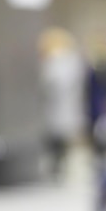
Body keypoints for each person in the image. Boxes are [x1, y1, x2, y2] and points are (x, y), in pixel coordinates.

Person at [38, 28, 86, 180]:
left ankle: (57, 170)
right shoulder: (72, 60)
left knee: (58, 141)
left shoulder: (59, 61)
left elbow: (52, 84)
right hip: (63, 108)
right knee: (59, 141)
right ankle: (57, 169)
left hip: (60, 107)